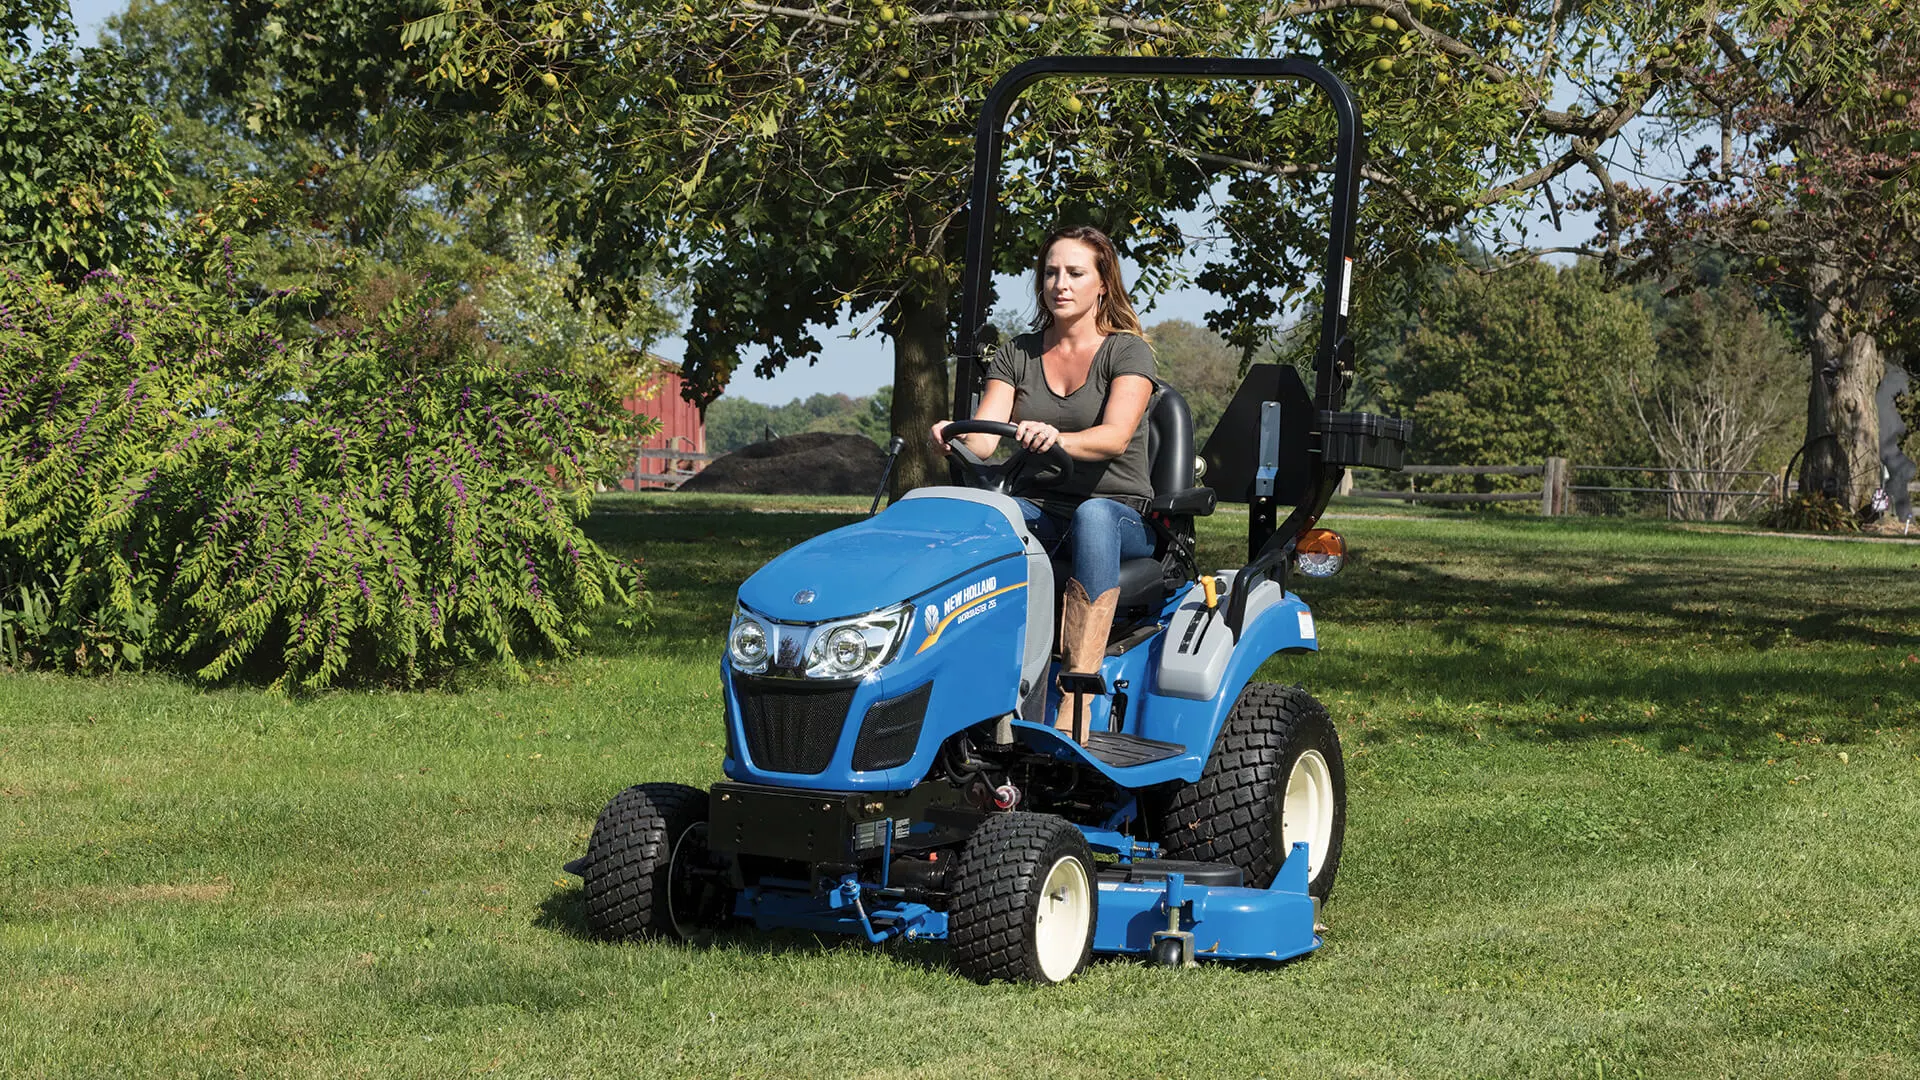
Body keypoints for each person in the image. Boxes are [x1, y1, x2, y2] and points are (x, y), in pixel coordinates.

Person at [931, 225, 1156, 744]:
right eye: (1051, 272)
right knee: (978, 519)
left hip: (1119, 512)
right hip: (1039, 506)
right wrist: (953, 434)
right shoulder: (1017, 353)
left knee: (1092, 517)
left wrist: (1057, 436)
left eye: (1076, 273)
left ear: (1103, 283)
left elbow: (1114, 439)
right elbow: (986, 439)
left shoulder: (1128, 352)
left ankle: (1075, 697)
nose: (1061, 284)